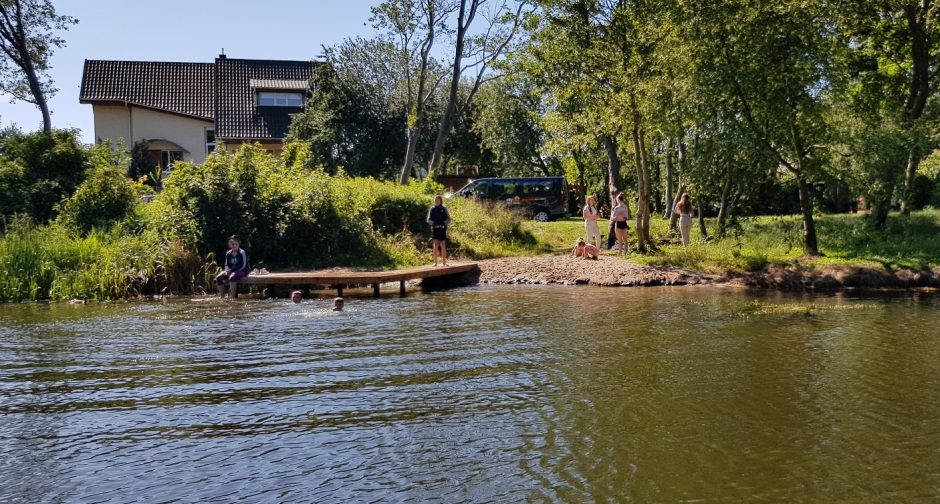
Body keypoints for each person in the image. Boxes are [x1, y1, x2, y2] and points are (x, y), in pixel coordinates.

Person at [427, 195, 451, 267]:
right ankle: (435, 262)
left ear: (440, 201)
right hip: (435, 229)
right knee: (435, 245)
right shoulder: (432, 208)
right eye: (435, 200)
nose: (436, 202)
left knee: (443, 245)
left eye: (438, 200)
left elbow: (449, 219)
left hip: (442, 229)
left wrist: (444, 224)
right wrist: (433, 224)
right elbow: (428, 219)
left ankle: (444, 263)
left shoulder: (444, 208)